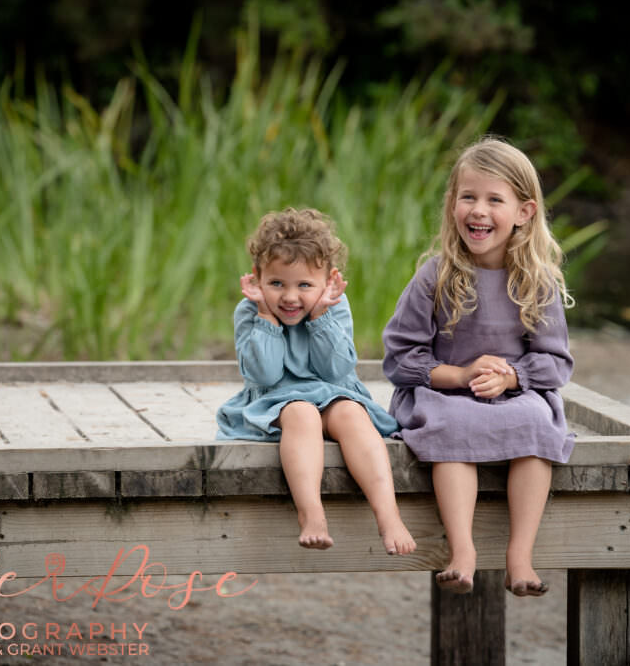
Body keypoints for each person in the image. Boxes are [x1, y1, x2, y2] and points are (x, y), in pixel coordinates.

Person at [382, 136, 574, 596]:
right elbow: (400, 357)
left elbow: (556, 362)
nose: (478, 211)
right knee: (453, 426)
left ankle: (520, 556)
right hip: (444, 393)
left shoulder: (537, 281)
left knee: (534, 423)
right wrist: (461, 375)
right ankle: (463, 550)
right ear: (452, 204)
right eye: (468, 197)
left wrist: (514, 376)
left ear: (524, 211)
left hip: (514, 394)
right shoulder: (436, 275)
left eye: (494, 200)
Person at [217, 207, 416, 556]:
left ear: (328, 281)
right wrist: (266, 317)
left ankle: (389, 515)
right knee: (302, 413)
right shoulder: (250, 310)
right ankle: (312, 514)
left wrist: (321, 316)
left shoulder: (334, 306)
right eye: (277, 283)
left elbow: (337, 370)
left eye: (304, 285)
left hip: (333, 392)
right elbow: (263, 374)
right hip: (276, 399)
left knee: (353, 415)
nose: (290, 297)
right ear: (257, 277)